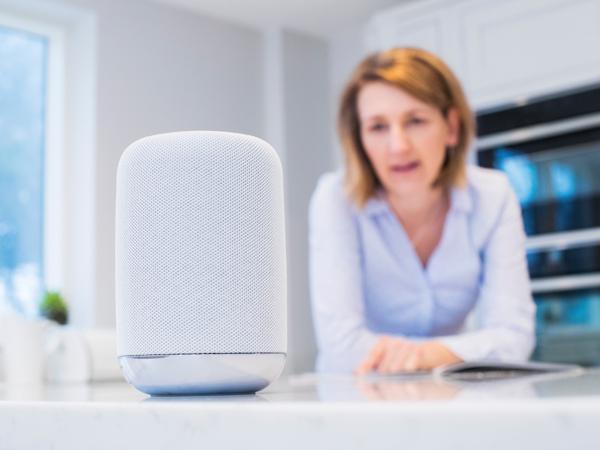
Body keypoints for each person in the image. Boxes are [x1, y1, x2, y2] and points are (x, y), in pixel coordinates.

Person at [309, 47, 535, 374]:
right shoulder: (335, 199)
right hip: (357, 394)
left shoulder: (493, 196)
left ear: (452, 127)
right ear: (359, 140)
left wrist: (426, 356)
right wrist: (449, 354)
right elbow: (341, 345)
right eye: (377, 127)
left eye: (415, 121)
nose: (399, 146)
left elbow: (514, 337)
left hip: (449, 392)